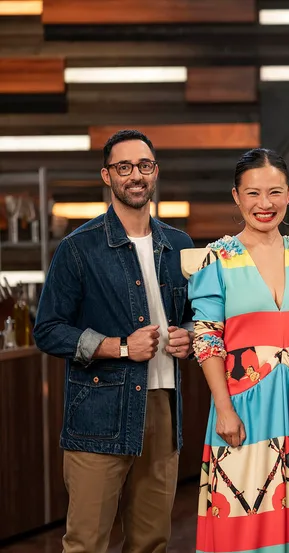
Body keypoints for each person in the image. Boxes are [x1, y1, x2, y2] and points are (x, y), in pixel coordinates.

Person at [33, 130, 194, 553]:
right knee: (87, 542)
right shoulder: (78, 248)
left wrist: (189, 338)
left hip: (163, 405)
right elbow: (48, 329)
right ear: (107, 175)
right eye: (124, 167)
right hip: (100, 412)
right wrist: (120, 346)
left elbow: (198, 320)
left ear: (155, 172)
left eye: (144, 166)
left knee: (151, 542)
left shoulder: (179, 245)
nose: (135, 176)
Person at [185, 148, 289, 552]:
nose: (265, 204)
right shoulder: (216, 260)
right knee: (245, 526)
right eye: (253, 194)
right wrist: (223, 408)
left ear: (288, 194)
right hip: (243, 410)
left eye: (274, 192)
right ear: (236, 197)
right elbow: (207, 339)